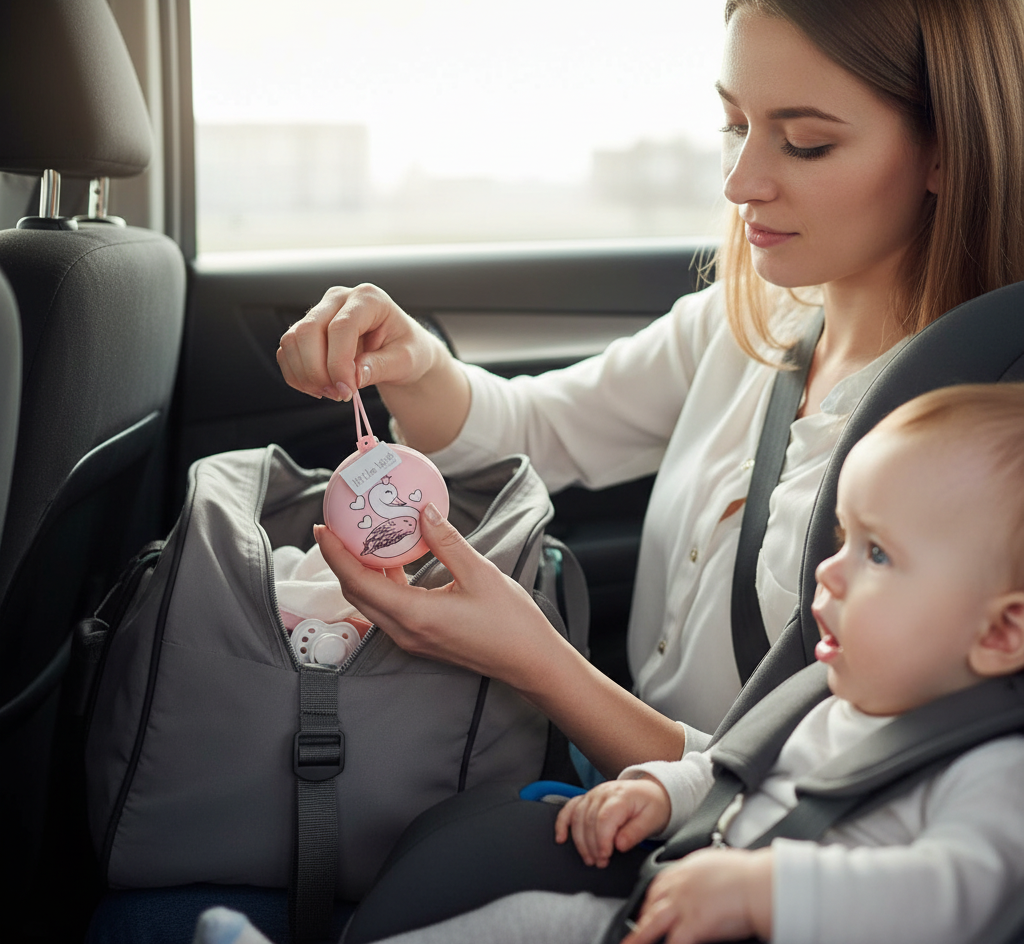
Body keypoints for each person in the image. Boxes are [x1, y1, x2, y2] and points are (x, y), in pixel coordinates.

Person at [277, 0, 1024, 785]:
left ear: (945, 151)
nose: (740, 182)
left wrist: (532, 658)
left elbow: (826, 793)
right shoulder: (749, 324)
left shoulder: (982, 445)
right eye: (734, 124)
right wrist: (414, 359)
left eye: (806, 142)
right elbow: (538, 430)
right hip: (613, 779)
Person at [197, 382, 1024, 944]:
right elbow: (736, 773)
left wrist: (764, 890)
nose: (829, 572)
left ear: (1002, 631)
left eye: (877, 554)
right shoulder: (835, 699)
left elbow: (964, 896)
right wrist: (662, 792)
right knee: (521, 925)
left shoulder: (993, 770)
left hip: (749, 911)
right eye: (841, 538)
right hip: (680, 898)